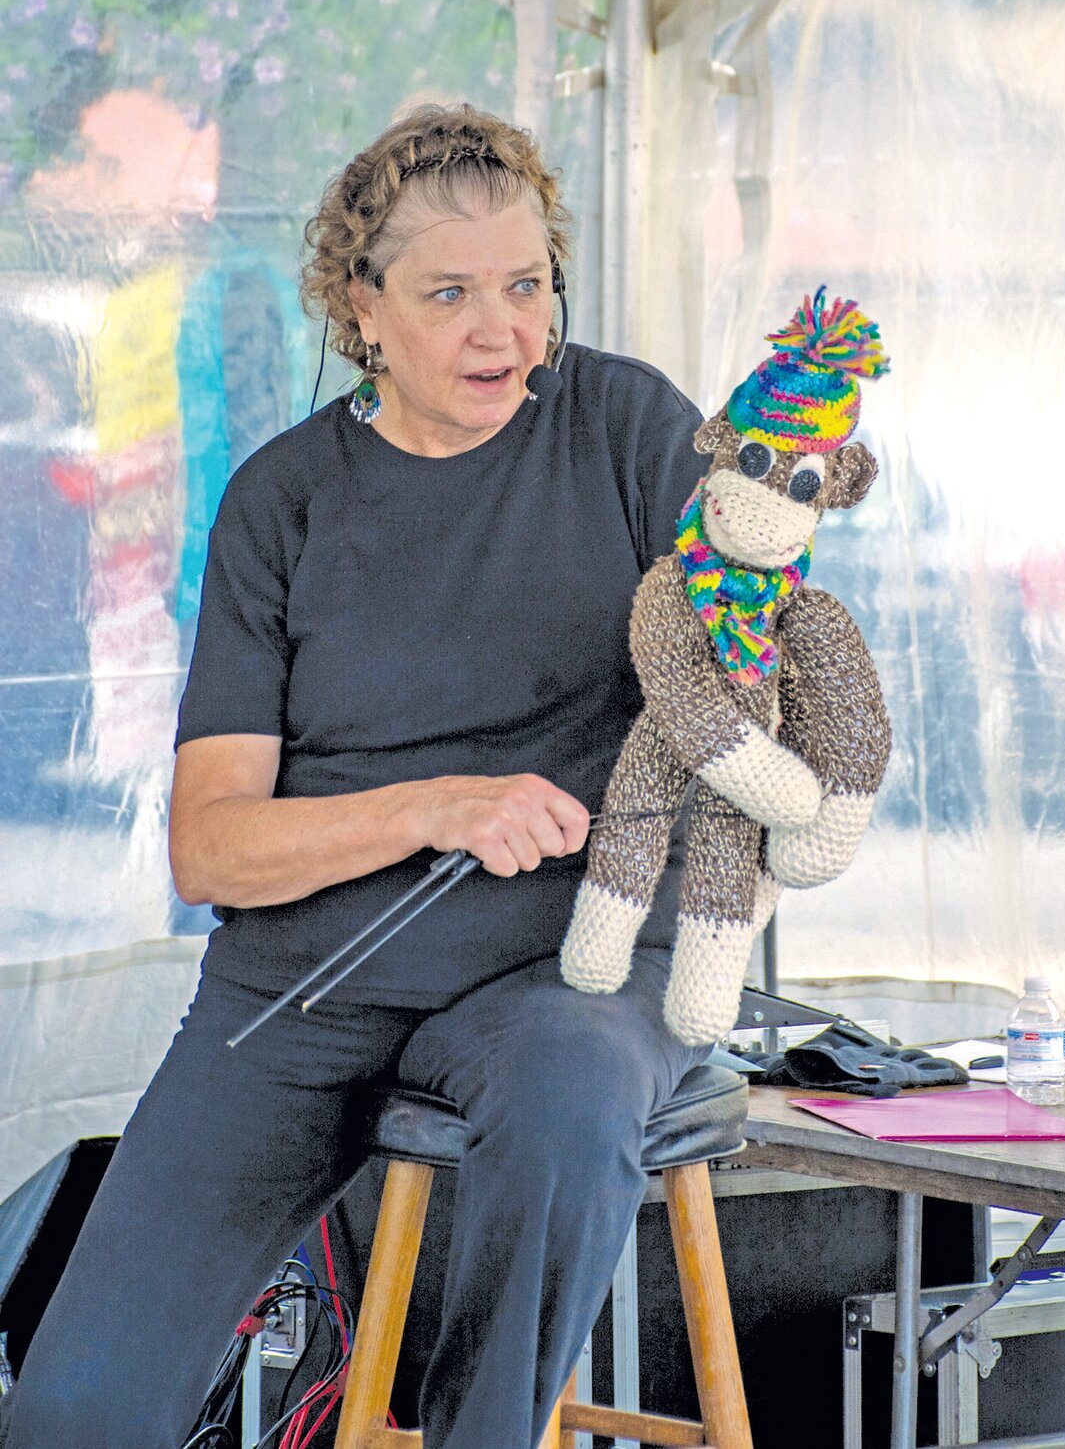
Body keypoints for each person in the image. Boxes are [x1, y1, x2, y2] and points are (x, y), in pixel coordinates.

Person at [0, 103, 709, 1449]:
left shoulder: (628, 431)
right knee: (73, 1416)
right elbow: (211, 852)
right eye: (450, 293)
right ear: (360, 305)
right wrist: (436, 808)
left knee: (571, 1091)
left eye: (526, 285)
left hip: (568, 967)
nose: (502, 330)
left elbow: (756, 644)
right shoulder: (285, 499)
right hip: (300, 993)